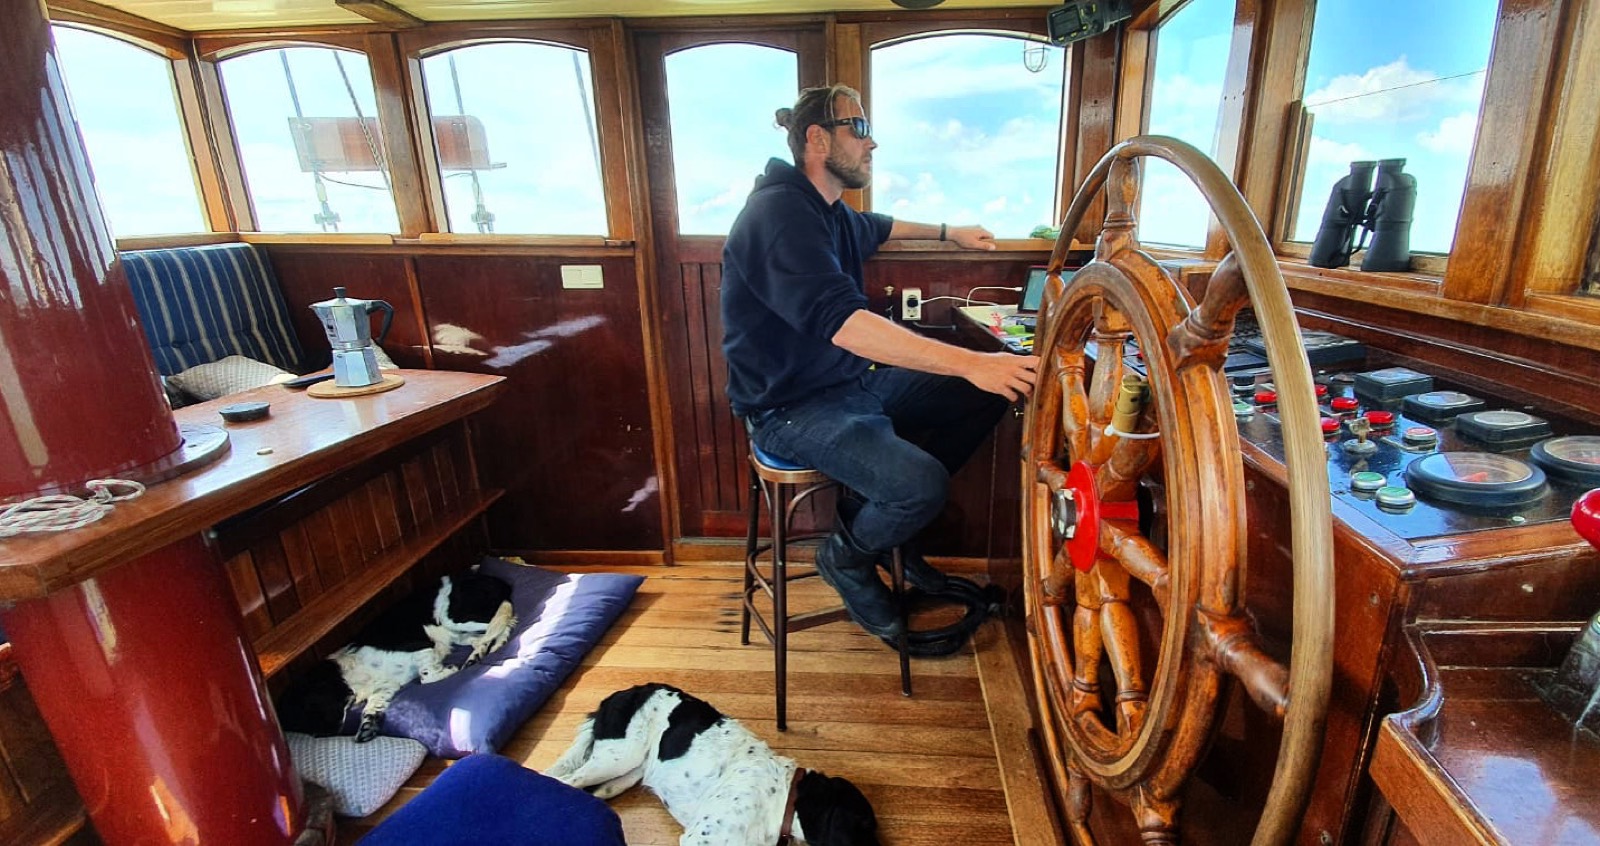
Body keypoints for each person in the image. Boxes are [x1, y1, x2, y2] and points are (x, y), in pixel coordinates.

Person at [721, 83, 1041, 639]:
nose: (873, 144)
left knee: (989, 389)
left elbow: (882, 226)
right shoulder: (779, 215)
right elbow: (846, 325)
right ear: (817, 139)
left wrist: (950, 233)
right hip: (788, 408)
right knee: (920, 483)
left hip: (847, 387)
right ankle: (845, 556)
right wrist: (971, 362)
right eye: (860, 129)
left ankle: (892, 533)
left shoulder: (830, 211)